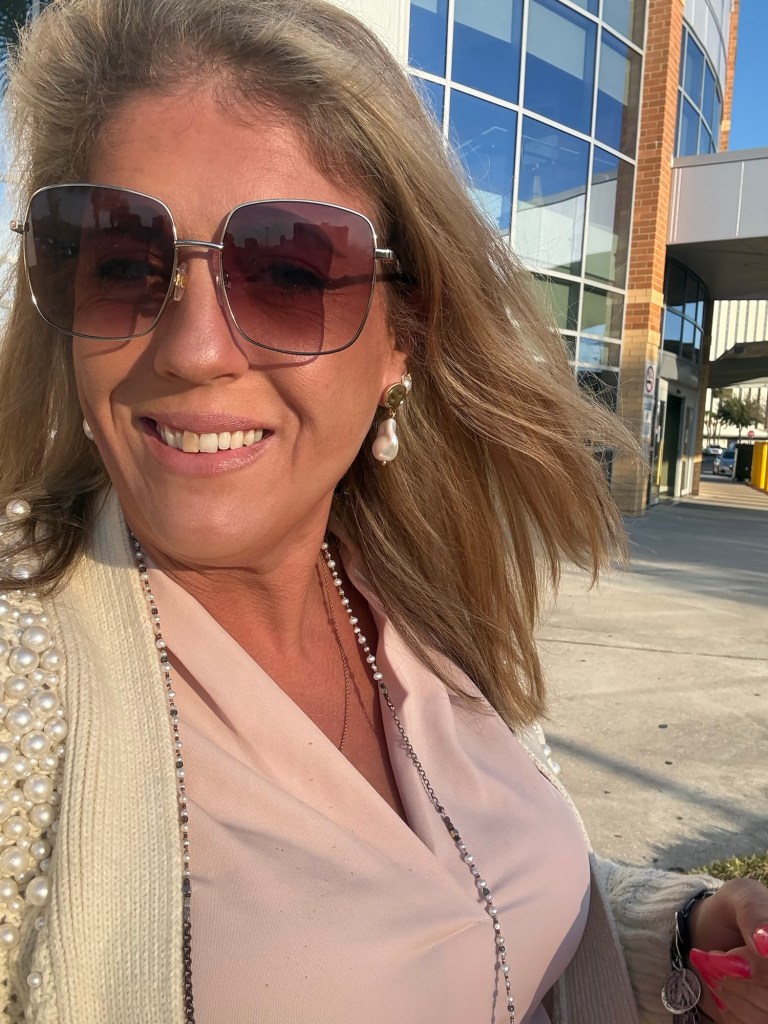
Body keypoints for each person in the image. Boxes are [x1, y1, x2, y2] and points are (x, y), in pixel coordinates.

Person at [0, 1, 765, 1022]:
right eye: (124, 264)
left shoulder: (417, 589)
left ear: (403, 333)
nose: (192, 349)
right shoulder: (21, 670)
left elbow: (472, 909)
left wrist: (677, 928)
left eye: (286, 272)